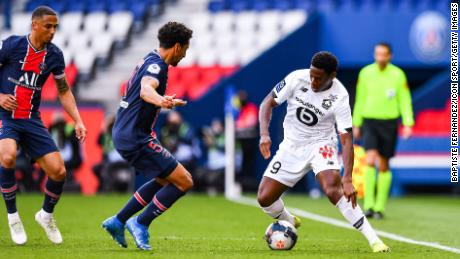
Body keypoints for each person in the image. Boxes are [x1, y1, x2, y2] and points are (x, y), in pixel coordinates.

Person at [257, 51, 390, 253]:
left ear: (332, 75)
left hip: (322, 145)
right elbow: (267, 103)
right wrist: (264, 134)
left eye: (318, 78)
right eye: (312, 75)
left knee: (332, 189)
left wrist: (347, 179)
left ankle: (374, 240)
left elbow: (346, 140)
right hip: (292, 146)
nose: (313, 81)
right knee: (264, 198)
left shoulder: (340, 96)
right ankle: (289, 220)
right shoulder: (296, 78)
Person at [102, 21, 193, 251]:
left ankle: (118, 220)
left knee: (165, 178)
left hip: (125, 133)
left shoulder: (148, 58)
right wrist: (161, 100)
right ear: (176, 46)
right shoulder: (157, 67)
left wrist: (163, 100)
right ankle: (140, 222)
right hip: (135, 136)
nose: (184, 56)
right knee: (184, 181)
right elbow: (146, 89)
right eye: (185, 50)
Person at [0, 6, 87, 245]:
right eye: (48, 26)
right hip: (5, 116)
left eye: (55, 27)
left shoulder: (54, 55)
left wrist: (78, 120)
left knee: (59, 172)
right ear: (35, 25)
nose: (52, 31)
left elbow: (64, 90)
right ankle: (13, 216)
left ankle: (45, 216)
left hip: (31, 119)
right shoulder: (11, 46)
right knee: (7, 157)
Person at [352, 43, 414, 219]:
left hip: (389, 123)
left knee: (384, 164)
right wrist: (356, 123)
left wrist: (408, 123)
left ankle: (380, 207)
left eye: (384, 54)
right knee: (370, 159)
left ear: (390, 56)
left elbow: (404, 100)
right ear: (374, 55)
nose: (380, 57)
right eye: (378, 54)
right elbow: (360, 98)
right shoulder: (365, 73)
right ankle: (369, 205)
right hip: (370, 121)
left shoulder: (398, 75)